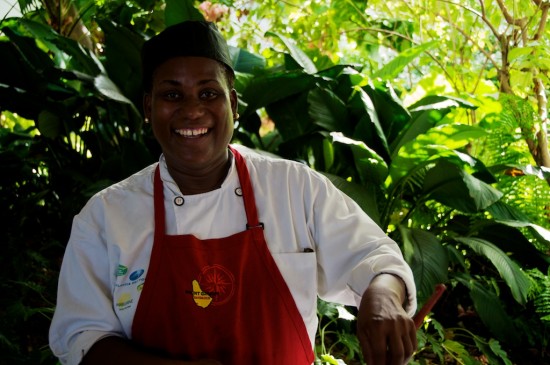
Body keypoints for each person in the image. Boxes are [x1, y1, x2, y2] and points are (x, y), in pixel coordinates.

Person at [49, 20, 418, 365]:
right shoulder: (106, 216)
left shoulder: (294, 188)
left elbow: (374, 256)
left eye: (208, 93)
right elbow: (82, 337)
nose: (192, 110)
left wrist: (382, 295)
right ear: (148, 107)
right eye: (172, 95)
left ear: (234, 105)